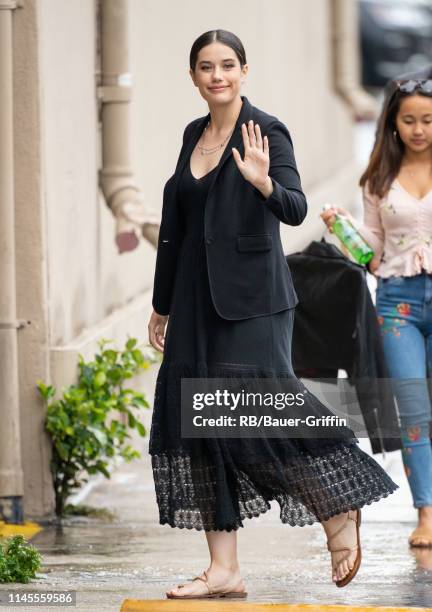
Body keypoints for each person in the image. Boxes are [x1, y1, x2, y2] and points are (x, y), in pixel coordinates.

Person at [148, 29, 398, 599]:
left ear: (244, 71)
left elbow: (295, 206)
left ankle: (337, 510)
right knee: (202, 425)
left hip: (253, 303)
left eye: (228, 65)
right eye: (206, 67)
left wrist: (263, 182)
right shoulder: (194, 134)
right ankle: (224, 569)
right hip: (194, 302)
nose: (218, 75)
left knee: (262, 412)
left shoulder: (266, 130)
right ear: (193, 77)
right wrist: (163, 304)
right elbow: (178, 229)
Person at [322, 77, 432, 549]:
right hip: (397, 304)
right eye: (408, 120)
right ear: (392, 122)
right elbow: (371, 252)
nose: (418, 129)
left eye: (428, 119)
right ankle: (427, 514)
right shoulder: (378, 180)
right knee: (413, 411)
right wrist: (341, 227)